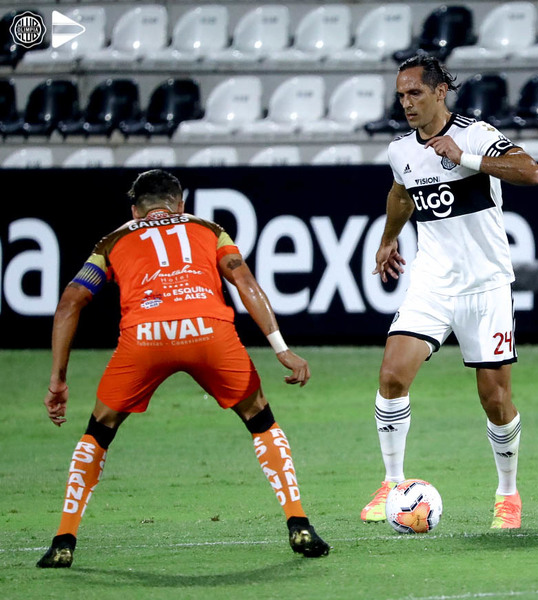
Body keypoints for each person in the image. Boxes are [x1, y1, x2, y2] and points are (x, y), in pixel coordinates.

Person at [37, 169, 329, 568]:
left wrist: (58, 380)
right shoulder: (209, 229)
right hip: (208, 330)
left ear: (136, 209)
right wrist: (282, 349)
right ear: (181, 204)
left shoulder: (112, 240)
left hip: (145, 337)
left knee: (100, 430)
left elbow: (71, 301)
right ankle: (299, 523)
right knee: (260, 418)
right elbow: (243, 280)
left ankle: (63, 540)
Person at [360, 55, 538, 529]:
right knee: (392, 375)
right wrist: (388, 239)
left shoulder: (475, 133)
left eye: (415, 93)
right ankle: (392, 483)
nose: (406, 103)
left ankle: (507, 494)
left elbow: (531, 171)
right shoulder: (401, 149)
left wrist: (463, 158)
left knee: (495, 399)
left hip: (486, 288)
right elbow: (401, 193)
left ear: (440, 92)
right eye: (401, 96)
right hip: (432, 284)